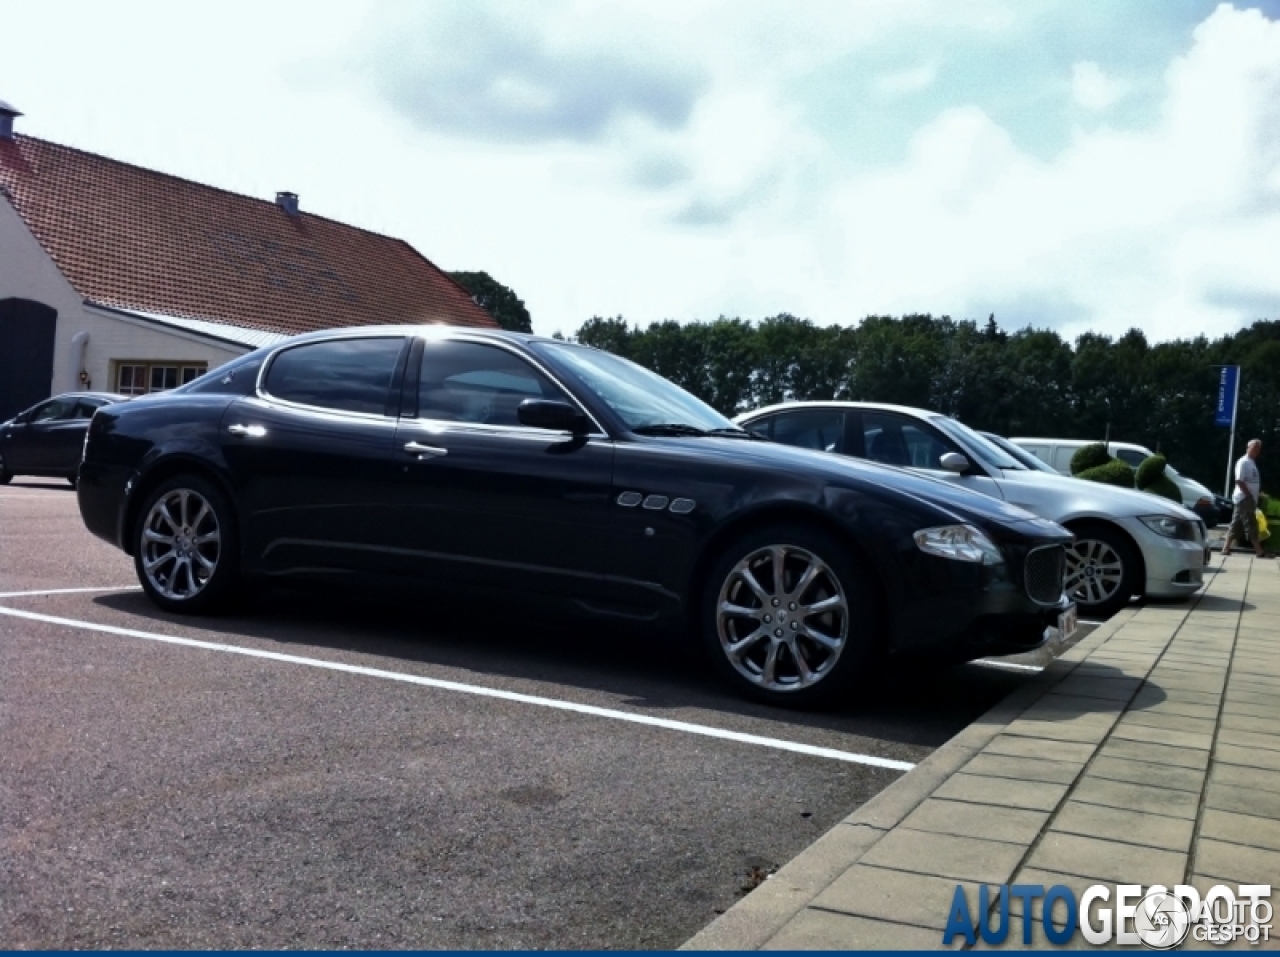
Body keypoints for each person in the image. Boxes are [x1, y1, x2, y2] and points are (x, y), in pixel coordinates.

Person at [1221, 438, 1271, 558]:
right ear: (1248, 448)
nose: (1257, 450)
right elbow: (1239, 480)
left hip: (1246, 498)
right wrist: (1248, 495)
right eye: (1255, 447)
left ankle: (1225, 548)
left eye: (1259, 448)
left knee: (1236, 524)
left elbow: (1250, 481)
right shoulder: (1243, 462)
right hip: (1244, 498)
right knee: (1251, 523)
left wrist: (1257, 494)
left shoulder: (1251, 463)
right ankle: (1259, 551)